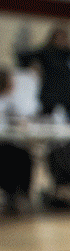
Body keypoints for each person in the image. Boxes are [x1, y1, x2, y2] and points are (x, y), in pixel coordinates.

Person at [17, 27, 70, 119]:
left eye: (64, 38)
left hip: (68, 96)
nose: (62, 41)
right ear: (53, 39)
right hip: (50, 95)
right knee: (46, 122)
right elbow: (24, 58)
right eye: (59, 38)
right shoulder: (46, 52)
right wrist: (32, 68)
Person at [0, 69, 34, 213]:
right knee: (11, 155)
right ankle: (11, 194)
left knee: (24, 155)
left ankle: (20, 195)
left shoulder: (11, 100)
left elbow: (23, 117)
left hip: (11, 142)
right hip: (3, 144)